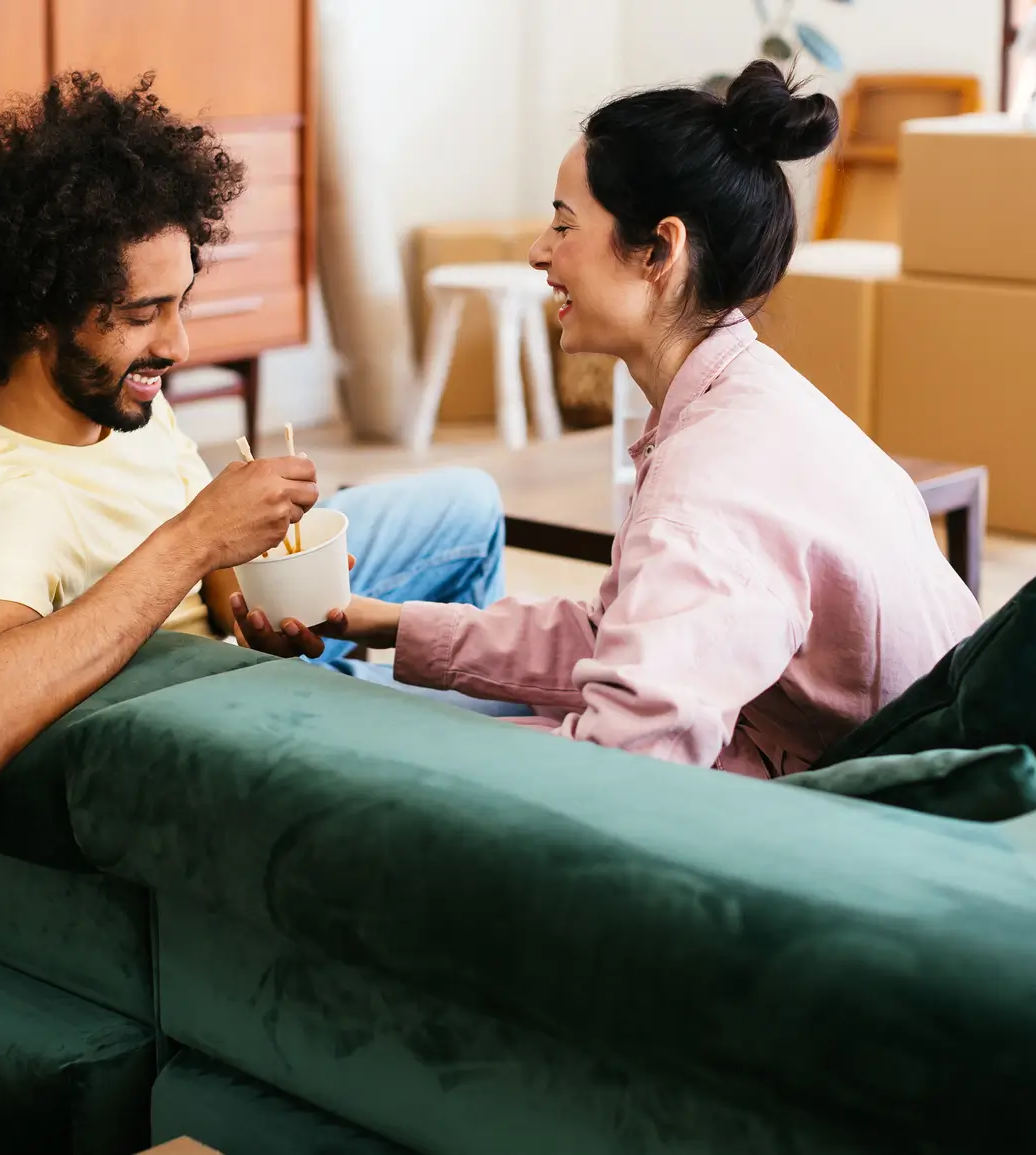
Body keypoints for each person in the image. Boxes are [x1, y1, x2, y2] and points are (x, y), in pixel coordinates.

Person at [279, 61, 983, 778]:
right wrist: (385, 621)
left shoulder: (712, 489)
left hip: (883, 810)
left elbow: (623, 764)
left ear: (658, 250)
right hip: (824, 752)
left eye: (563, 223)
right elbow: (622, 639)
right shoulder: (741, 395)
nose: (537, 252)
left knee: (369, 745)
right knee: (383, 709)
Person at [0, 73, 507, 787]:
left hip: (237, 642)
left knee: (470, 503)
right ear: (38, 312)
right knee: (525, 703)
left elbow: (209, 570)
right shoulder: (3, 500)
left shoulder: (98, 392)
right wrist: (198, 538)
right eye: (140, 314)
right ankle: (450, 771)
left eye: (180, 302)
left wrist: (249, 587)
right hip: (224, 704)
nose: (179, 345)